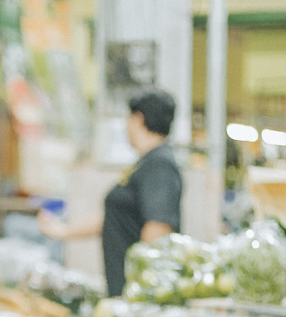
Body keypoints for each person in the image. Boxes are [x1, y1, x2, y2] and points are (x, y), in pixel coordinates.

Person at [38, 89, 182, 296]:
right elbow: (115, 217)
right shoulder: (144, 165)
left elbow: (158, 228)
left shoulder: (159, 165)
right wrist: (63, 231)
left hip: (136, 295)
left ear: (137, 119)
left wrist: (143, 289)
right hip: (124, 289)